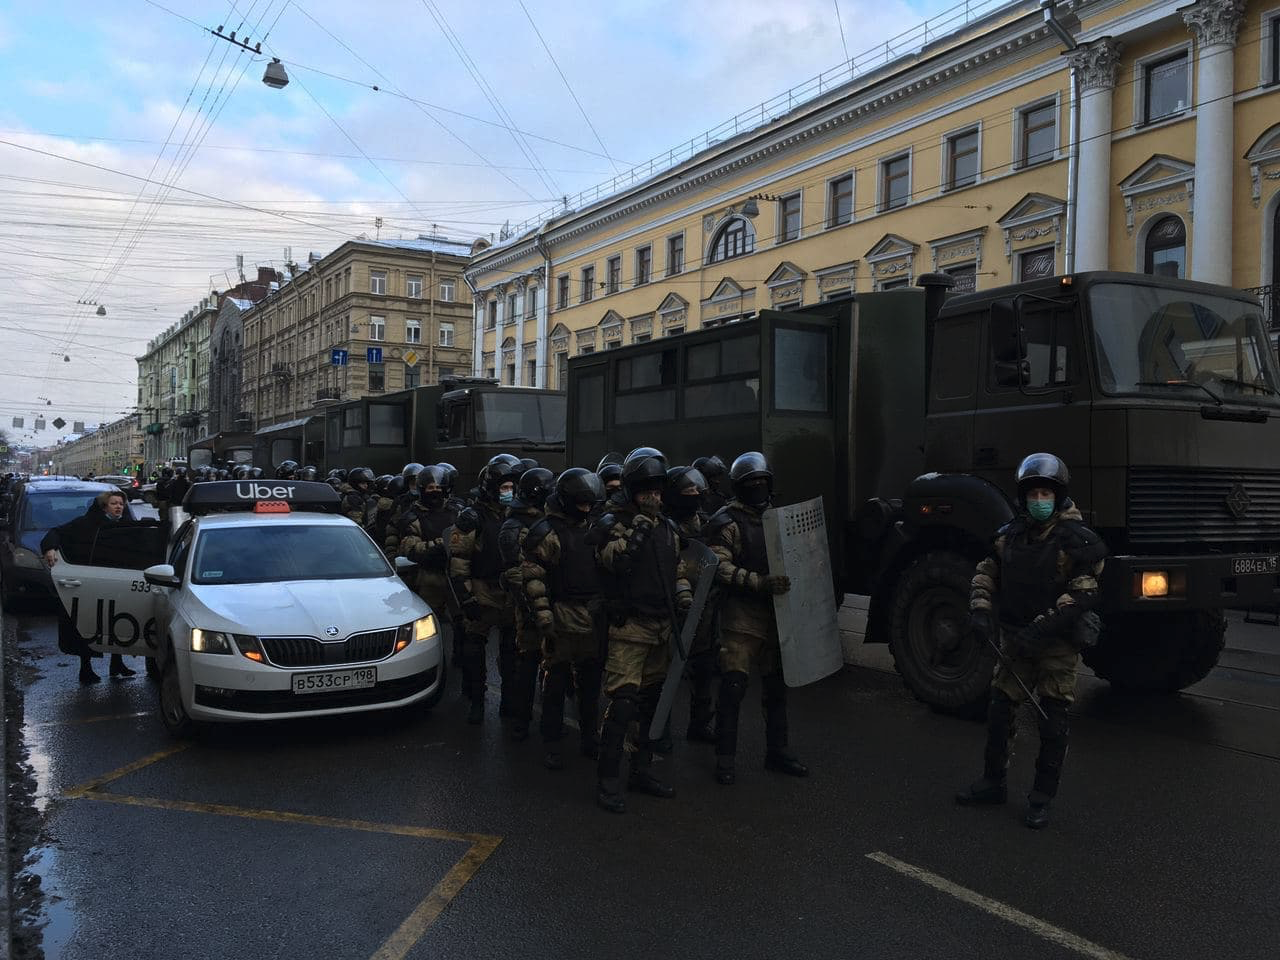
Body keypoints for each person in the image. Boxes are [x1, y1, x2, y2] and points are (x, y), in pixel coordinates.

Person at [956, 453, 1107, 829]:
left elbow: (1084, 593)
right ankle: (993, 783)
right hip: (1014, 641)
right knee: (999, 710)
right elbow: (985, 573)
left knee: (1053, 722)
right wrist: (979, 608)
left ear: (1058, 496)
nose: (1039, 499)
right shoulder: (1010, 536)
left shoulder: (1076, 541)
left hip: (1055, 645)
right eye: (1033, 493)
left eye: (1046, 492)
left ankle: (1041, 798)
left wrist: (1041, 628)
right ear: (1023, 497)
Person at [593, 453, 693, 813]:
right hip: (628, 627)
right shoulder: (614, 523)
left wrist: (683, 596)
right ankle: (607, 780)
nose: (654, 496)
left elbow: (677, 567)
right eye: (646, 490)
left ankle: (641, 770)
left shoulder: (667, 527)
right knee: (623, 705)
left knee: (651, 706)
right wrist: (639, 528)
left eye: (658, 489)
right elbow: (614, 560)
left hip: (660, 627)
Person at [705, 452, 808, 785]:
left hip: (776, 614)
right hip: (741, 615)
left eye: (763, 482)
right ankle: (724, 759)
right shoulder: (727, 521)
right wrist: (758, 582)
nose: (759, 488)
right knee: (733, 686)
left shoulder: (779, 518)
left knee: (776, 688)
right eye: (752, 484)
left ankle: (777, 752)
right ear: (739, 487)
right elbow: (718, 567)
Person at [522, 468, 607, 770]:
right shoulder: (548, 532)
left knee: (591, 685)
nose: (586, 508)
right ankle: (552, 742)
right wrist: (544, 618)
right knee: (555, 683)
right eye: (581, 502)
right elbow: (534, 579)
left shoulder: (596, 527)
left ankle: (589, 739)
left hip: (592, 617)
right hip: (561, 614)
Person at [449, 454, 521, 724]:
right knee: (474, 649)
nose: (509, 492)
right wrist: (466, 597)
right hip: (482, 589)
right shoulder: (472, 517)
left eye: (512, 487)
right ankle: (477, 701)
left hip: (509, 592)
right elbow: (459, 561)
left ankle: (510, 702)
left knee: (511, 651)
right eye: (504, 487)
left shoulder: (518, 513)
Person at [41, 490, 137, 683]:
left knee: (115, 623)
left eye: (121, 503)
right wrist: (50, 548)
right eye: (114, 503)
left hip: (117, 582)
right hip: (92, 582)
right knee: (89, 623)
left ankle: (117, 663)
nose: (119, 507)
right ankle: (86, 669)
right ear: (104, 506)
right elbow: (55, 532)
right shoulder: (86, 524)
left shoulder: (127, 525)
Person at [498, 467, 555, 741]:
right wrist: (529, 604)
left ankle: (547, 721)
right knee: (528, 660)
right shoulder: (513, 526)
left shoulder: (549, 520)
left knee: (552, 663)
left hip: (552, 599)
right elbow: (515, 571)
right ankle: (521, 719)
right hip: (526, 603)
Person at [664, 465, 717, 744]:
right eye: (688, 491)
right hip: (672, 609)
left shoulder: (706, 523)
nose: (695, 495)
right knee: (666, 673)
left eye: (697, 490)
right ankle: (660, 731)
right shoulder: (663, 527)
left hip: (705, 606)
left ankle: (699, 724)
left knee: (704, 669)